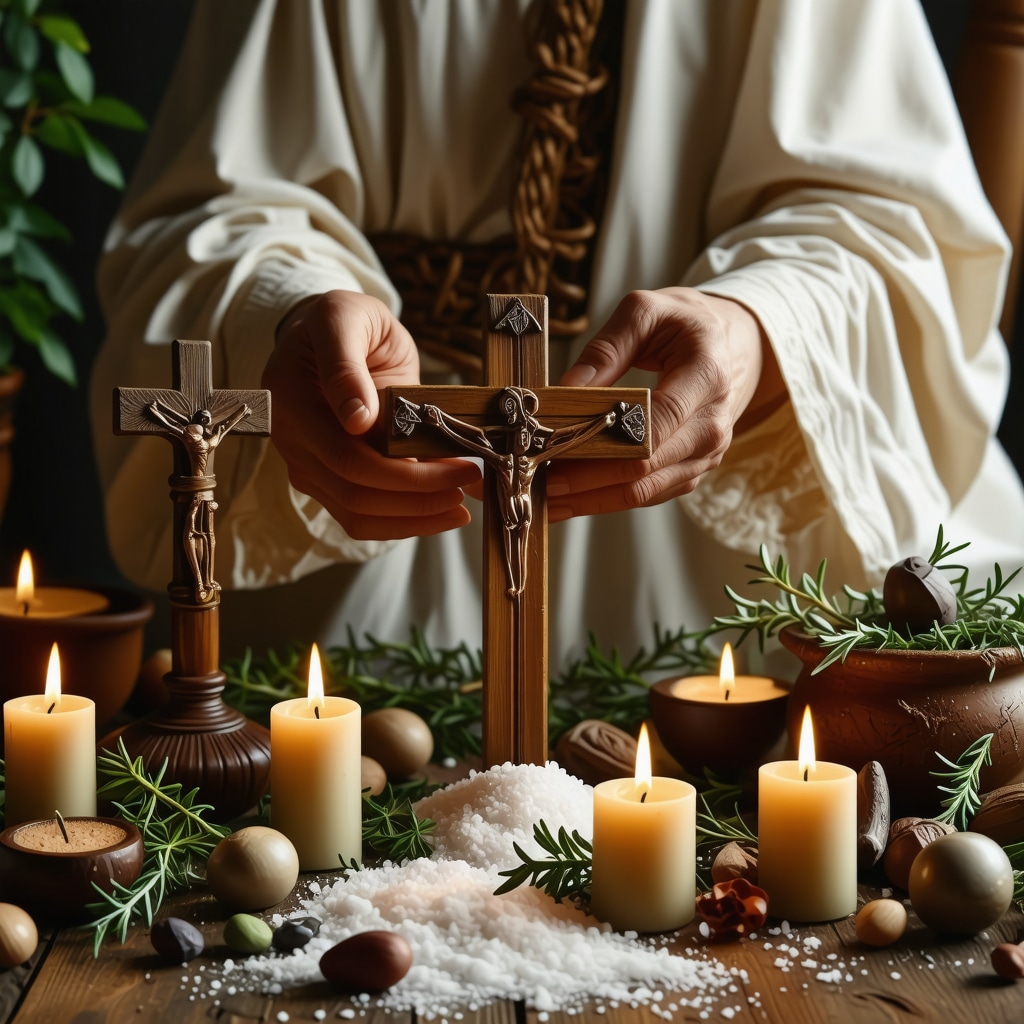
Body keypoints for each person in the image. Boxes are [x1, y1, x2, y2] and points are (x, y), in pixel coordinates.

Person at [90, 0, 1024, 667]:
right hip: (386, 534)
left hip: (713, 577)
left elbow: (891, 229)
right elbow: (210, 213)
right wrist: (291, 314)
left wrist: (756, 328)